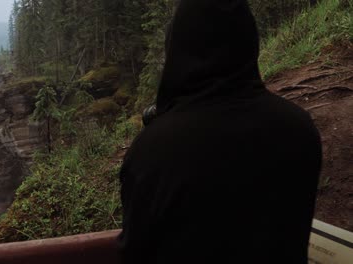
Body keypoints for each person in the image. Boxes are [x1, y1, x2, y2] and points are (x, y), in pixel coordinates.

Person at [118, 1, 322, 263]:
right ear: (249, 41)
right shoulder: (300, 128)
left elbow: (133, 251)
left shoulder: (150, 151)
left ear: (178, 48)